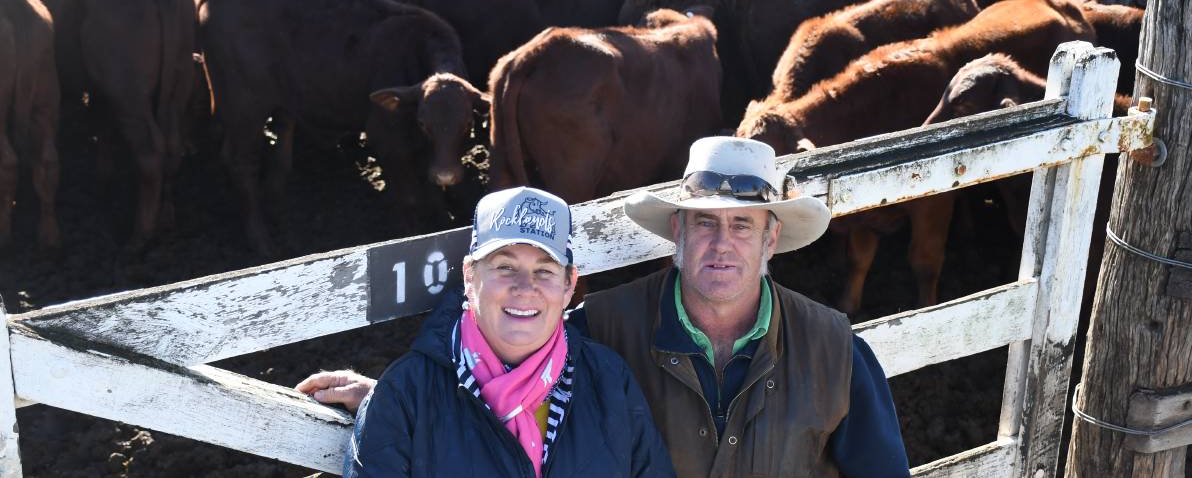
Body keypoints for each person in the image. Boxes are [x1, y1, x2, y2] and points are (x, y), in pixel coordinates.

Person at [300, 138, 909, 477]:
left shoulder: (835, 350)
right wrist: (400, 393)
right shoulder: (604, 332)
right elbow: (512, 352)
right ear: (676, 232)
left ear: (771, 238)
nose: (721, 245)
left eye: (743, 227)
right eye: (703, 225)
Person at [341, 186, 675, 477]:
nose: (525, 287)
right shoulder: (404, 395)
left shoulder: (609, 380)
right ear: (470, 276)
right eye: (505, 267)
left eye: (544, 270)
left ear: (569, 285)